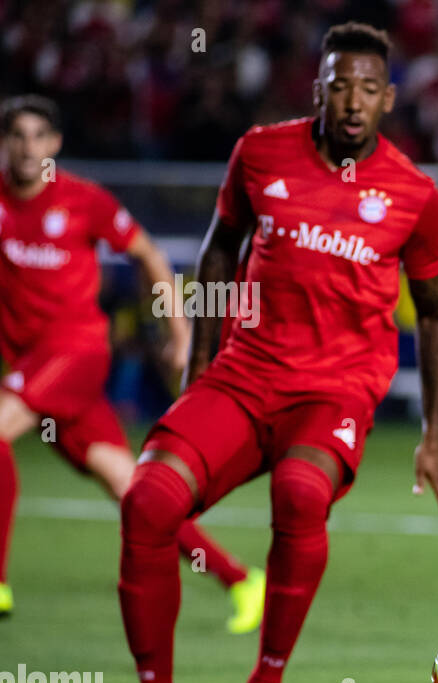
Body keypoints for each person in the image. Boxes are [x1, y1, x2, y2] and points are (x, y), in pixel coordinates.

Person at [90, 22, 438, 683]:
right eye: (339, 85)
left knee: (299, 493)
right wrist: (201, 360)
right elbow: (220, 248)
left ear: (388, 100)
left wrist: (433, 435)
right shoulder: (260, 152)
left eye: (368, 89)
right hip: (246, 373)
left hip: (337, 389)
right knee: (147, 501)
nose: (352, 101)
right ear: (318, 87)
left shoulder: (414, 194)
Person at [0, 95, 264, 632]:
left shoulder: (83, 200)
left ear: (55, 144)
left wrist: (180, 331)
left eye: (38, 136)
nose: (28, 148)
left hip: (76, 352)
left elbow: (147, 254)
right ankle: (239, 578)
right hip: (35, 368)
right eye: (17, 136)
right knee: (135, 492)